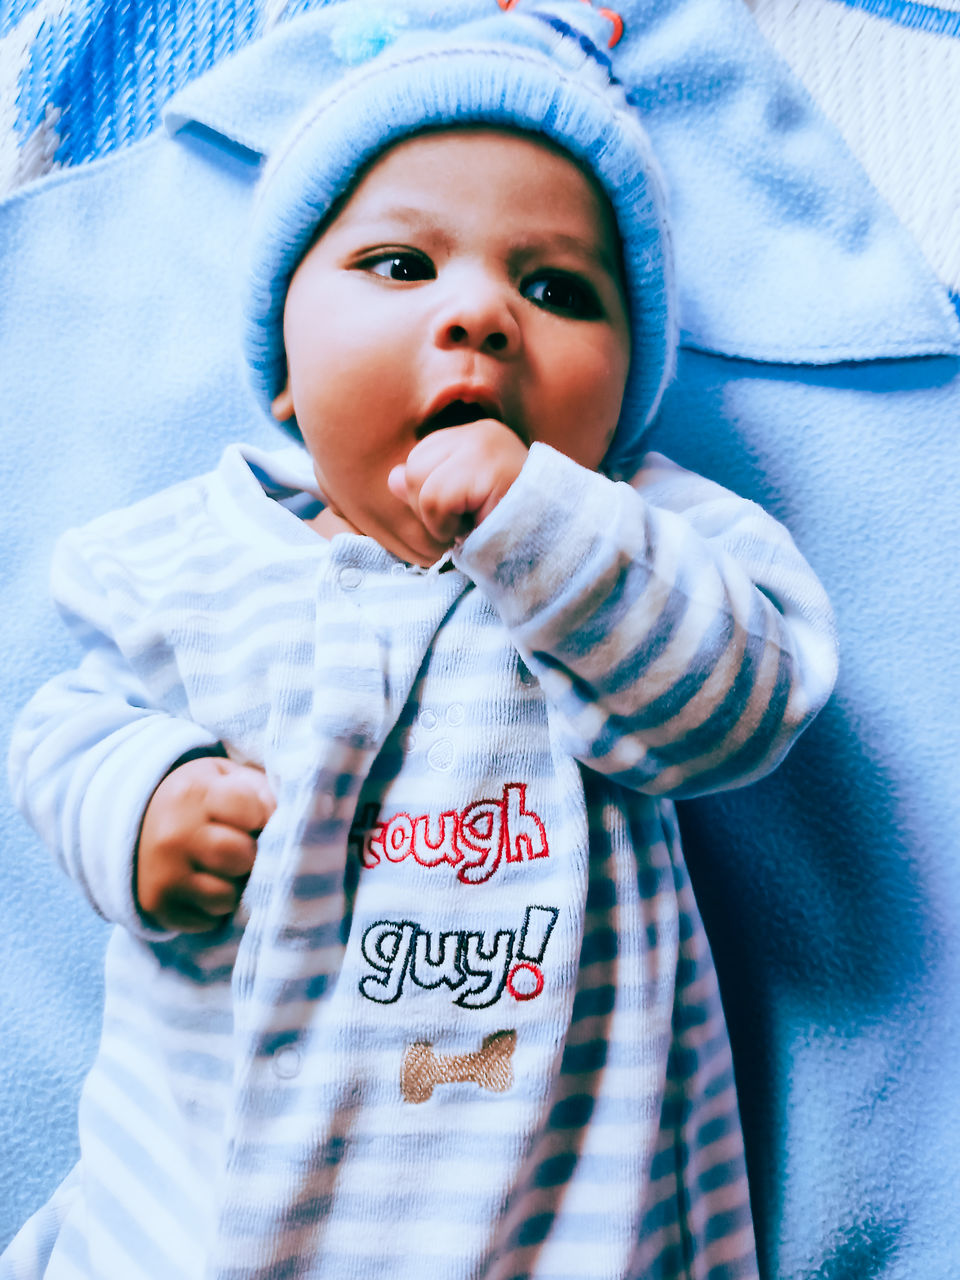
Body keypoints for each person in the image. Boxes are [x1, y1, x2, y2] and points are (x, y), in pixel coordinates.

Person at [3, 5, 838, 1278]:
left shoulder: (638, 538)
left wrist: (542, 522)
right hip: (191, 1215)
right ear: (282, 368)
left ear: (625, 393)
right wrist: (142, 803)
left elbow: (745, 701)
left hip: (567, 1216)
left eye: (557, 287)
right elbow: (64, 726)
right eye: (402, 265)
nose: (485, 315)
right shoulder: (190, 553)